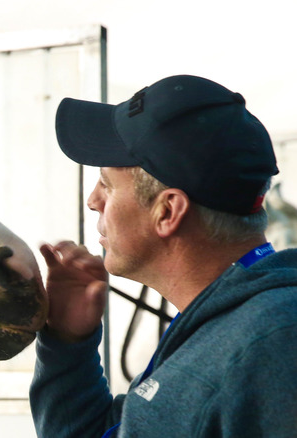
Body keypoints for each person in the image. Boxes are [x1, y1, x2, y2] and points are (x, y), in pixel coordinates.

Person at [29, 75, 297, 437]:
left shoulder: (268, 348)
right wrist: (68, 343)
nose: (93, 200)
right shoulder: (227, 329)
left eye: (107, 184)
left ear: (168, 211)